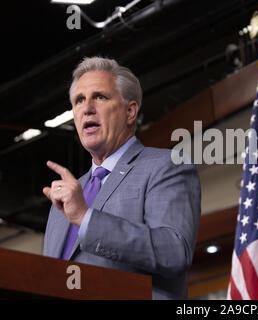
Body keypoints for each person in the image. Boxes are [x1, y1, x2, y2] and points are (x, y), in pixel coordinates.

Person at [42, 57, 201, 300]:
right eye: (79, 100)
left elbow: (174, 251)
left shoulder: (166, 166)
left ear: (130, 111)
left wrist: (86, 218)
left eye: (100, 97)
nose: (87, 108)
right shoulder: (65, 199)